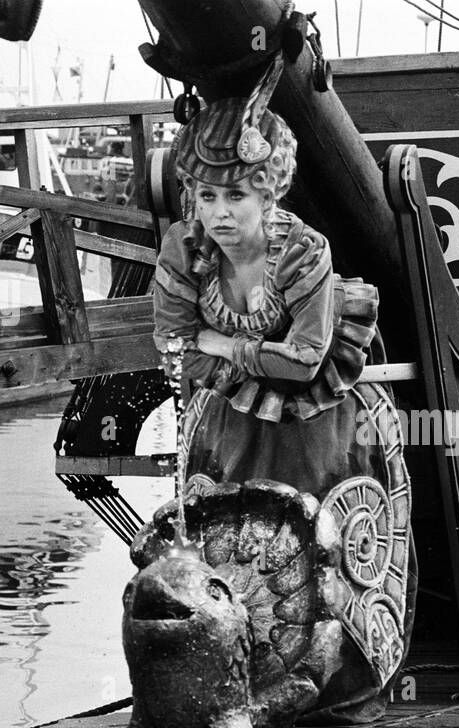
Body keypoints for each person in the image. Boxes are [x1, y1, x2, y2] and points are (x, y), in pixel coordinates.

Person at [152, 96, 374, 497]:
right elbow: (174, 348)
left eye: (236, 196)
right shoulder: (183, 248)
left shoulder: (303, 252)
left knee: (308, 518)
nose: (220, 213)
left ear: (267, 195)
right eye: (207, 197)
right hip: (233, 406)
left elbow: (306, 362)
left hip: (314, 414)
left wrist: (224, 344)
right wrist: (255, 367)